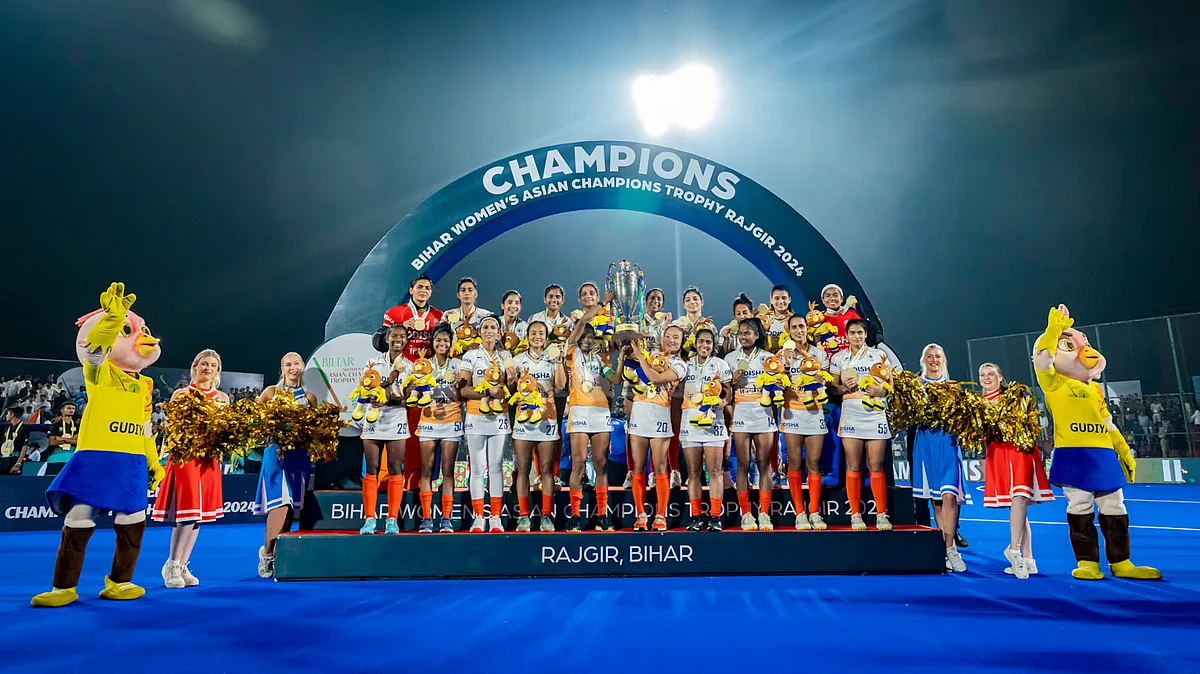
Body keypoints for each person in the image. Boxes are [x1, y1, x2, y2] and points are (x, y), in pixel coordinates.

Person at [33, 282, 165, 608]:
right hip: (96, 458)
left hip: (132, 462)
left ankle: (120, 581)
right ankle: (64, 587)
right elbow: (93, 352)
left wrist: (152, 460)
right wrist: (111, 321)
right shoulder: (102, 373)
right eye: (130, 332)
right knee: (79, 518)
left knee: (133, 521)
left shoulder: (145, 386)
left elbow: (146, 428)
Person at [1033, 305, 1160, 580]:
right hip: (1073, 453)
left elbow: (1107, 423)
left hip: (1103, 455)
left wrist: (1123, 450)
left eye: (1085, 344)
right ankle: (1087, 562)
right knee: (1080, 507)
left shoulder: (1095, 389)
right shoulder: (1055, 383)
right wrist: (1053, 331)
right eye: (1070, 345)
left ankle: (1122, 562)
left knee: (1115, 507)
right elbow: (1042, 359)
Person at [152, 349, 229, 589]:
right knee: (187, 514)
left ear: (218, 371)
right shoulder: (182, 394)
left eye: (213, 365)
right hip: (186, 458)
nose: (208, 368)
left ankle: (183, 564)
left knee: (198, 517)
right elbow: (173, 428)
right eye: (204, 364)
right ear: (195, 367)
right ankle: (172, 564)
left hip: (209, 461)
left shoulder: (223, 398)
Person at [979, 362, 1054, 579]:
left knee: (1019, 497)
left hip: (1020, 450)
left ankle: (1013, 551)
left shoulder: (1013, 396)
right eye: (982, 375)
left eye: (991, 374)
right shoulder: (978, 404)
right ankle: (1028, 559)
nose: (986, 378)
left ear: (1000, 377)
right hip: (998, 454)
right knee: (1018, 508)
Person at [254, 352, 318, 579]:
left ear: (303, 366)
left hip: (299, 457)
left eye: (296, 363)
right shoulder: (271, 393)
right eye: (288, 364)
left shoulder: (310, 397)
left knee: (290, 507)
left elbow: (314, 430)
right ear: (282, 369)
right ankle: (266, 554)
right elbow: (254, 421)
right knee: (280, 503)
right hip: (276, 455)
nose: (293, 367)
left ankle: (279, 554)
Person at [383, 275, 444, 498]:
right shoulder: (395, 313)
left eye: (427, 288)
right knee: (393, 425)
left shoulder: (438, 316)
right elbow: (379, 342)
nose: (423, 291)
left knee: (421, 429)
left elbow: (443, 343)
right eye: (419, 287)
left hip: (425, 377)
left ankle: (416, 478)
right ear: (411, 290)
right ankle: (387, 478)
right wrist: (400, 328)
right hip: (400, 373)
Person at [829, 318, 892, 533]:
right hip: (851, 413)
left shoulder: (878, 355)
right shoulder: (839, 358)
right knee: (853, 465)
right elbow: (833, 389)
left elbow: (889, 385)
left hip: (874, 413)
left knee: (876, 465)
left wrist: (880, 391)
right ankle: (855, 514)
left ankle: (881, 513)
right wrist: (843, 388)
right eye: (852, 333)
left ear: (866, 335)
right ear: (846, 336)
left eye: (860, 333)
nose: (856, 336)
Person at [566, 292, 623, 531]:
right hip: (579, 410)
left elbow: (616, 379)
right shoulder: (571, 352)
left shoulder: (599, 360)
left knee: (601, 463)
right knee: (579, 463)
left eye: (591, 337)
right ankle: (575, 515)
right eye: (584, 337)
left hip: (600, 411)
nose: (588, 340)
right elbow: (581, 322)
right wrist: (603, 303)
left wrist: (622, 357)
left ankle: (602, 514)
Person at [908, 344, 967, 571]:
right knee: (937, 501)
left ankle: (951, 548)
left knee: (949, 496)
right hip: (925, 444)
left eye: (938, 356)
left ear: (944, 360)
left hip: (949, 443)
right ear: (923, 361)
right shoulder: (916, 385)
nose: (934, 360)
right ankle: (944, 548)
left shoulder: (954, 386)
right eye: (930, 356)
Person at [626, 325, 687, 531]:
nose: (671, 340)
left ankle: (661, 515)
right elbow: (632, 369)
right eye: (667, 336)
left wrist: (640, 358)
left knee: (660, 467)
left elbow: (657, 378)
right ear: (661, 338)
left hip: (660, 416)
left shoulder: (679, 365)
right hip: (639, 413)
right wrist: (630, 350)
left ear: (682, 342)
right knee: (638, 467)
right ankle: (640, 514)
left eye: (676, 337)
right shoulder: (650, 356)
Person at [458, 315, 515, 532]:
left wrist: (511, 381)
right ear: (479, 332)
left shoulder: (506, 356)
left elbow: (512, 389)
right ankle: (479, 517)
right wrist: (488, 392)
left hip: (499, 418)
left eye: (493, 327)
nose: (489, 331)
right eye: (485, 327)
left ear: (499, 332)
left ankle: (495, 517)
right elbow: (463, 390)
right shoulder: (471, 356)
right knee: (477, 468)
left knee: (497, 468)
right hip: (475, 416)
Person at [359, 325, 413, 535]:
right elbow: (364, 389)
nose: (398, 339)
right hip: (374, 419)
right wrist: (381, 388)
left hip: (396, 418)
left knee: (395, 467)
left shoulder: (411, 366)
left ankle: (392, 519)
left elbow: (409, 400)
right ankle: (370, 519)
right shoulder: (372, 363)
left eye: (402, 336)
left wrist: (392, 397)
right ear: (387, 339)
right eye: (394, 336)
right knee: (372, 468)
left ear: (406, 340)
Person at [511, 321, 566, 531]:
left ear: (546, 336)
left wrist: (559, 361)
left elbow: (560, 385)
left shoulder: (552, 358)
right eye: (533, 333)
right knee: (523, 469)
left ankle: (546, 515)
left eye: (541, 333)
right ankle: (524, 516)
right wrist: (511, 381)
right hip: (523, 421)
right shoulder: (518, 360)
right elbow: (511, 389)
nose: (537, 337)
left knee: (546, 470)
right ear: (527, 336)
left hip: (547, 419)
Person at [724, 317, 776, 531]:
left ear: (756, 335)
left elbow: (775, 388)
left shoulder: (768, 358)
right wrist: (732, 382)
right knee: (743, 464)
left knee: (764, 463)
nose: (744, 336)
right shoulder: (730, 358)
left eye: (748, 333)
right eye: (741, 333)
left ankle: (764, 513)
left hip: (763, 413)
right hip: (742, 413)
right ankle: (746, 513)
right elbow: (724, 392)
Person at [780, 314, 831, 530]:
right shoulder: (783, 354)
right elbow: (777, 384)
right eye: (794, 327)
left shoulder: (819, 353)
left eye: (801, 326)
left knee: (813, 463)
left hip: (814, 412)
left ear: (807, 328)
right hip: (792, 412)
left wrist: (823, 379)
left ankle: (814, 512)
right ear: (789, 331)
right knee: (794, 463)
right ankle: (800, 512)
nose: (799, 330)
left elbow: (829, 381)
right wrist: (785, 364)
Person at [679, 328, 732, 531]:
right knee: (693, 472)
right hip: (690, 422)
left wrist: (723, 402)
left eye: (708, 342)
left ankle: (715, 516)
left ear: (713, 344)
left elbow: (728, 390)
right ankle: (696, 515)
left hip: (714, 422)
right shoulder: (686, 364)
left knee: (715, 471)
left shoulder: (720, 364)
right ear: (695, 343)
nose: (704, 345)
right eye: (701, 341)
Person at [416, 325, 464, 533]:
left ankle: (446, 518)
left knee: (448, 472)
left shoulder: (458, 365)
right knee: (426, 470)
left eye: (446, 340)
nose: (442, 343)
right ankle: (426, 518)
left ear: (451, 343)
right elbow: (417, 393)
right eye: (438, 340)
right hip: (428, 419)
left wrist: (459, 385)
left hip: (451, 420)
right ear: (433, 343)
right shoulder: (424, 364)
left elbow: (462, 396)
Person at [820, 284, 862, 353]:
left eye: (835, 295)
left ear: (842, 298)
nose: (832, 298)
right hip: (826, 358)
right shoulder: (818, 318)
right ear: (823, 300)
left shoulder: (852, 315)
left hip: (851, 356)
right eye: (827, 296)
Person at [46, 401, 80, 466]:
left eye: (73, 408)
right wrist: (70, 440)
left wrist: (60, 439)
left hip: (72, 454)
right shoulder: (55, 425)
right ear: (62, 410)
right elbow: (52, 442)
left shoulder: (77, 425)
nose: (71, 410)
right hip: (57, 455)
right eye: (69, 408)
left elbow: (77, 441)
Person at [3, 404, 32, 475]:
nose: (6, 416)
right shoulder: (7, 429)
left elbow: (24, 447)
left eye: (7, 413)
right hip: (4, 459)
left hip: (15, 460)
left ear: (12, 415)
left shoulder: (23, 429)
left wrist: (18, 464)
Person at [763, 285, 793, 351]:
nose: (781, 301)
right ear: (771, 300)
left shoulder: (794, 320)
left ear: (789, 300)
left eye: (784, 298)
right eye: (777, 298)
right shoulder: (765, 320)